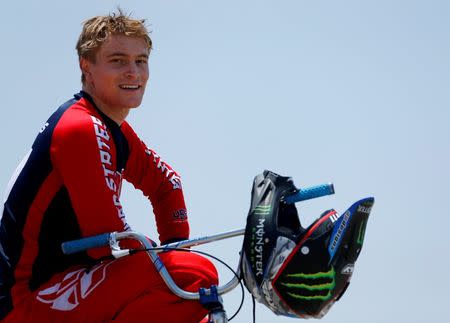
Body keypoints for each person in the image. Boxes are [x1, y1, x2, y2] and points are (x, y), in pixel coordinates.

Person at [0, 10, 218, 322]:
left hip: (70, 281)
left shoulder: (110, 127)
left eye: (141, 61)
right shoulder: (81, 127)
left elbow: (167, 185)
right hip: (26, 300)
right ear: (86, 67)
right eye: (118, 60)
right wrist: (171, 263)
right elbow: (109, 238)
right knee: (193, 274)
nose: (134, 72)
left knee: (187, 278)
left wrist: (175, 250)